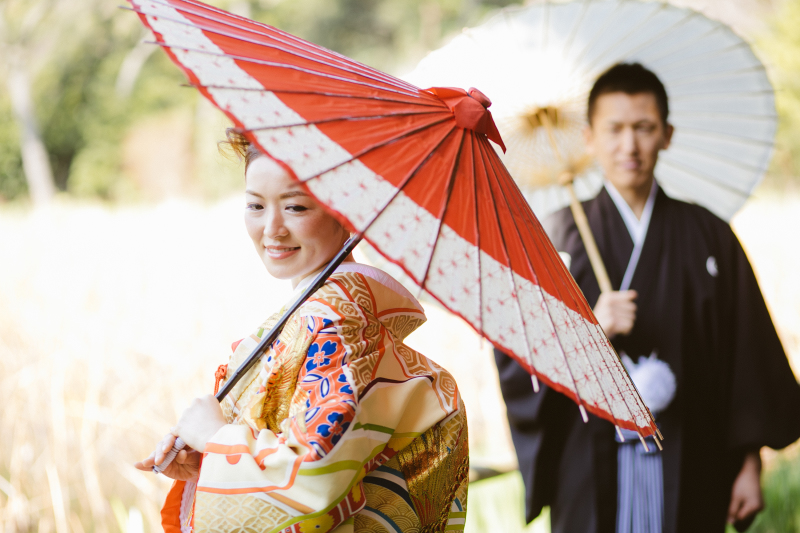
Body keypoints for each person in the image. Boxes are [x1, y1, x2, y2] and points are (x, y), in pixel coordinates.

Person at [494, 63, 800, 533]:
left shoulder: (708, 236)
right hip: (589, 463)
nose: (629, 146)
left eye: (644, 128)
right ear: (589, 138)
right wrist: (589, 331)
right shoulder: (554, 237)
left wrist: (748, 462)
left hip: (693, 457)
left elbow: (744, 356)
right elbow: (518, 356)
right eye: (614, 129)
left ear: (667, 135)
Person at [135, 132, 469, 533]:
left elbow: (315, 472)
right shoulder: (323, 314)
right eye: (255, 205)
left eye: (295, 207)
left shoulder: (338, 324)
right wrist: (208, 460)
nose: (272, 228)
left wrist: (217, 438)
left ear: (348, 212)